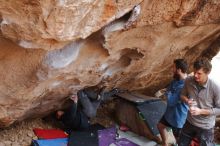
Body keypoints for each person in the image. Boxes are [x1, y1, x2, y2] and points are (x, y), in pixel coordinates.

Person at [178, 58, 220, 146]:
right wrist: (187, 100)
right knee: (181, 144)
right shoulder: (188, 80)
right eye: (194, 72)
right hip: (189, 122)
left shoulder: (215, 87)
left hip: (206, 127)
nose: (195, 75)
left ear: (207, 73)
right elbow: (182, 95)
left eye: (199, 73)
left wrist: (200, 111)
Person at [157, 59, 188, 146]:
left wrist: (167, 93)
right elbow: (169, 89)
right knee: (160, 126)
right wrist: (168, 92)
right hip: (170, 113)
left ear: (179, 70)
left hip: (178, 117)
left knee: (178, 140)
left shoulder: (185, 85)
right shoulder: (176, 80)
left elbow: (171, 101)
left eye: (173, 67)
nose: (171, 69)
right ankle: (165, 144)